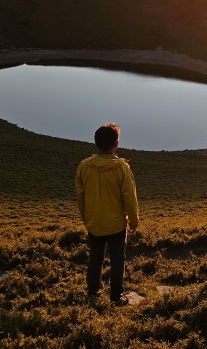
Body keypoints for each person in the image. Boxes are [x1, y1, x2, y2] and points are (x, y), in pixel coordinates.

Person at [75, 122, 139, 305]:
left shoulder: (84, 166)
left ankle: (93, 293)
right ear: (116, 143)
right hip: (117, 224)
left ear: (96, 143)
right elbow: (130, 198)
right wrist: (133, 222)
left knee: (95, 257)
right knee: (118, 260)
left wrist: (86, 218)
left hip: (94, 222)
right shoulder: (122, 168)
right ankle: (116, 296)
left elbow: (80, 196)